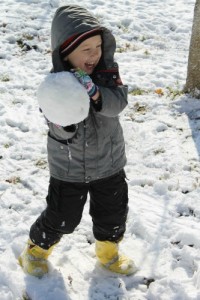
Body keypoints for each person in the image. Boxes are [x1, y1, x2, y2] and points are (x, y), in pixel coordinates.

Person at [18, 5, 137, 277]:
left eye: (98, 46)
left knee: (113, 215)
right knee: (63, 217)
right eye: (86, 49)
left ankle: (108, 253)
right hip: (68, 168)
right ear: (65, 52)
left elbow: (118, 103)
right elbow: (58, 130)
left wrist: (97, 96)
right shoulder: (56, 85)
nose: (94, 54)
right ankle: (35, 251)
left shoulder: (108, 73)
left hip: (109, 163)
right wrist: (66, 117)